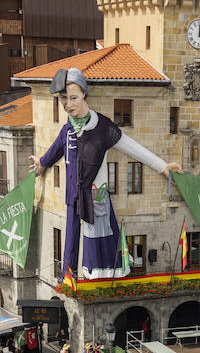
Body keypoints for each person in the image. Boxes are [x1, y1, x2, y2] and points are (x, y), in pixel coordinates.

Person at [29, 66, 179, 280]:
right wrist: (42, 164)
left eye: (73, 98)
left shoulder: (102, 128)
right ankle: (68, 277)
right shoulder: (68, 129)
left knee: (98, 234)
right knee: (70, 237)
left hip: (95, 194)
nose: (68, 104)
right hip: (73, 193)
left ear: (84, 95)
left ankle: (98, 276)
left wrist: (162, 166)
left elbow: (131, 146)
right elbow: (54, 152)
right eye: (63, 98)